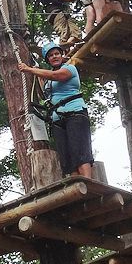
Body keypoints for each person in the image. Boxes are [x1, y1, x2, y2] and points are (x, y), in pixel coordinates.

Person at [18, 42, 94, 178]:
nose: (54, 57)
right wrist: (37, 73)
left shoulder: (69, 69)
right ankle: (76, 184)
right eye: (51, 55)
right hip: (57, 119)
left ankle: (88, 182)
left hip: (75, 114)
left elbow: (56, 76)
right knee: (66, 158)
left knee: (80, 152)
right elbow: (44, 93)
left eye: (57, 54)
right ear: (48, 59)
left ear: (61, 55)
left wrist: (29, 69)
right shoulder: (49, 82)